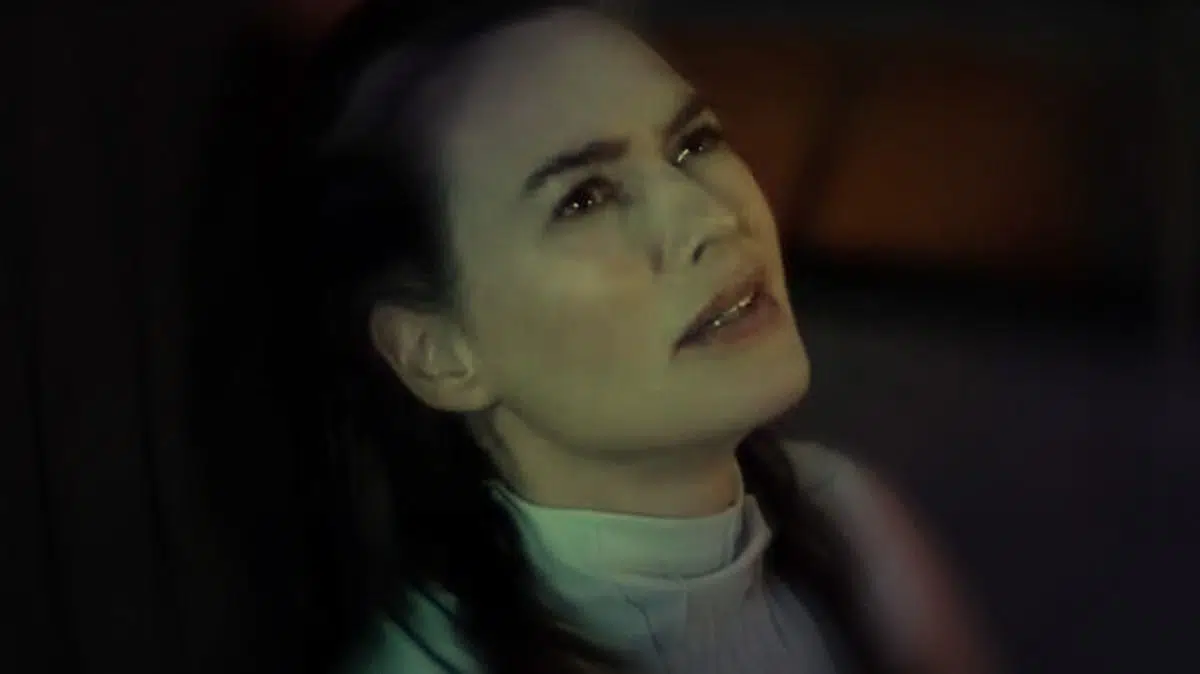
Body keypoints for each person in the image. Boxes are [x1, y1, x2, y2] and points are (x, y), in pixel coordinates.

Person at [260, 1, 999, 673]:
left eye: (694, 144)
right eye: (584, 198)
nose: (710, 217)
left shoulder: (849, 520)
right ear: (438, 355)